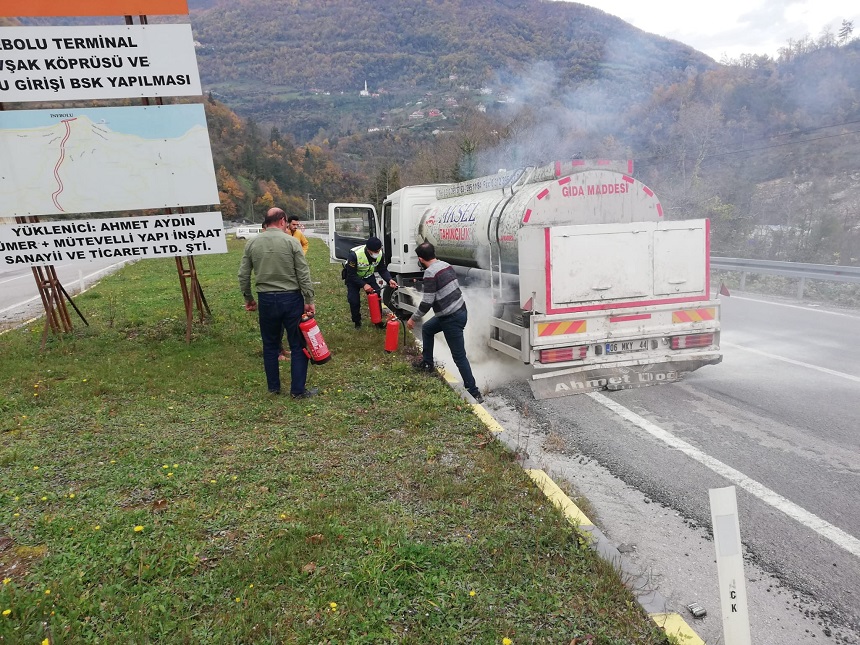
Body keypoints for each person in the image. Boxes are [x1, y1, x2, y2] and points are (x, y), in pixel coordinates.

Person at [238, 208, 317, 398]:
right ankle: (297, 390)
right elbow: (303, 274)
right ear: (283, 221)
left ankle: (273, 388)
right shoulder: (292, 242)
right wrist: (309, 299)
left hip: (266, 299)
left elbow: (243, 275)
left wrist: (248, 298)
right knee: (297, 344)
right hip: (291, 299)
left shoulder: (252, 243)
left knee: (270, 344)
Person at [406, 242, 483, 404]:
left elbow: (427, 302)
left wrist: (413, 318)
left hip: (451, 318)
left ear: (420, 259)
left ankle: (474, 392)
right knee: (427, 329)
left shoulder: (429, 273)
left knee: (459, 356)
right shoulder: (445, 265)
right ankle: (427, 363)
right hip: (459, 311)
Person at [343, 236, 397, 329]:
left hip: (368, 276)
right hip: (353, 278)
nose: (378, 253)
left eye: (379, 250)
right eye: (375, 251)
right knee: (354, 301)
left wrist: (389, 279)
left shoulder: (380, 254)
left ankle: (378, 321)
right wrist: (364, 285)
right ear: (368, 250)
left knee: (376, 295)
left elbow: (382, 269)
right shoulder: (354, 255)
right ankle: (357, 322)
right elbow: (351, 274)